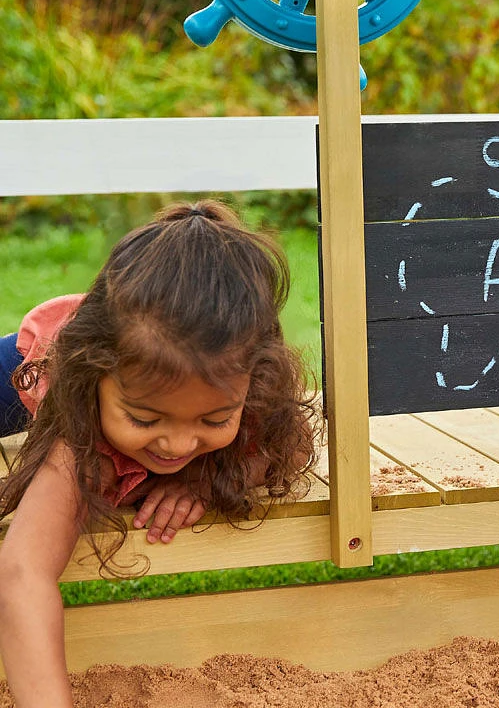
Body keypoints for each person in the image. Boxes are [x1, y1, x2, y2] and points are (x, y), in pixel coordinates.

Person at [0, 200, 317, 708]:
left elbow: (285, 445)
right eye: (146, 420)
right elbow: (21, 572)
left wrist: (204, 481)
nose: (176, 445)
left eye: (213, 420)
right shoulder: (80, 428)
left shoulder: (253, 395)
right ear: (97, 381)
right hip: (26, 366)